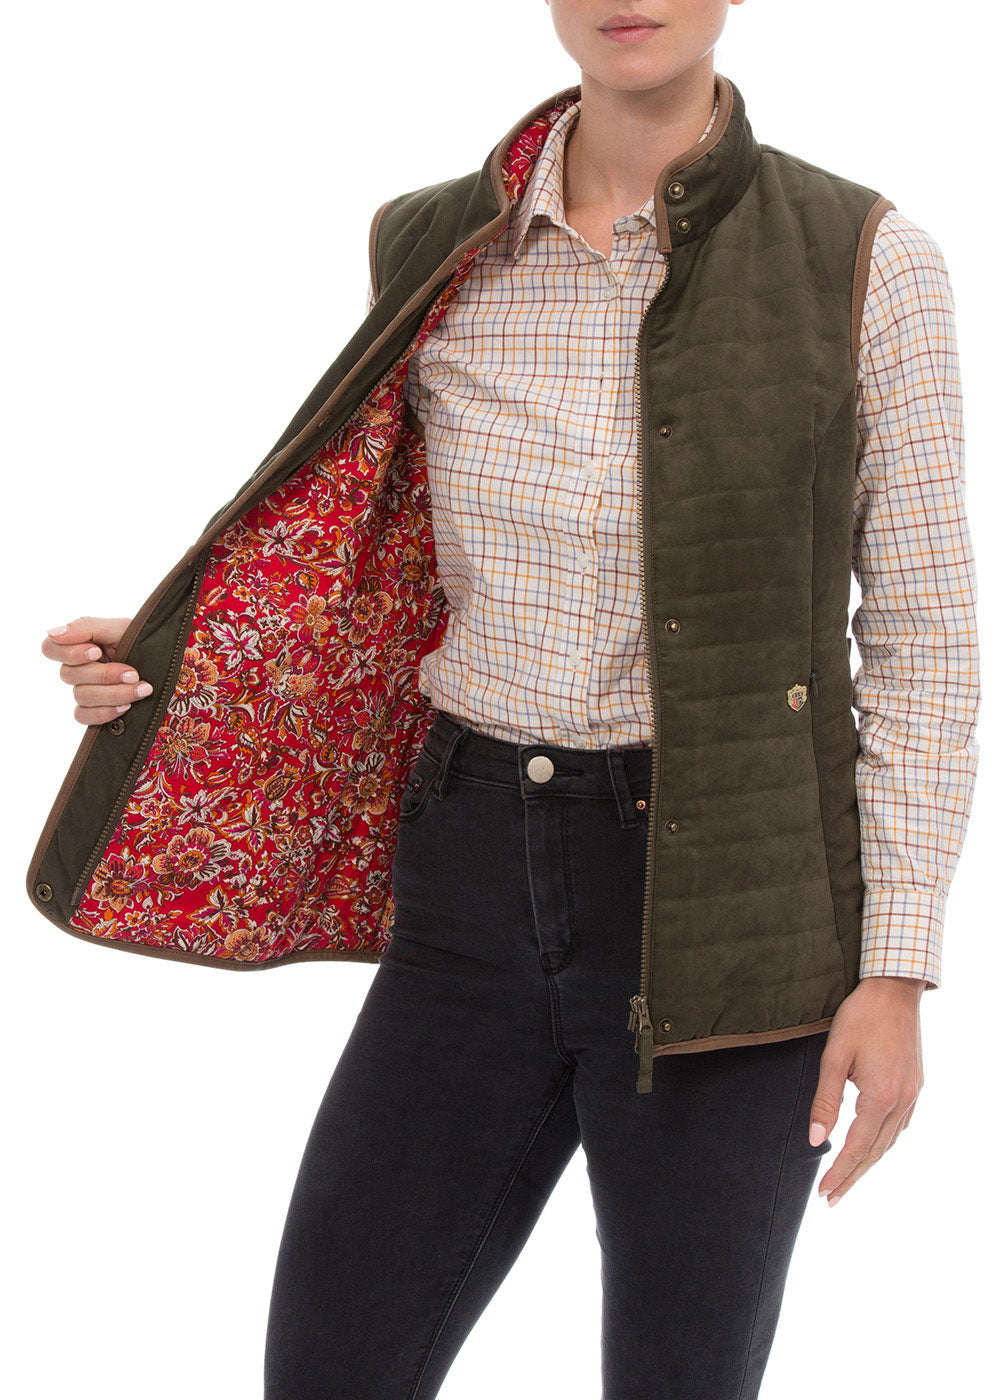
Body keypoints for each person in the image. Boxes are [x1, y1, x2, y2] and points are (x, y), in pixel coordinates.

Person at [36, 3, 979, 1396]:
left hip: (737, 915)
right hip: (470, 873)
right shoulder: (433, 241)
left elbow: (924, 637)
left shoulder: (866, 257)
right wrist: (193, 660)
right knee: (331, 1367)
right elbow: (392, 557)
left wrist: (895, 973)